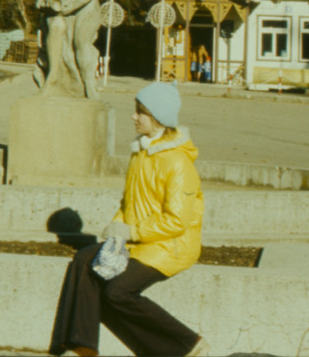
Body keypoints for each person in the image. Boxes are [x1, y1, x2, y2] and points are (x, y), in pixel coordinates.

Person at [50, 82, 207, 357]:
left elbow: (177, 222)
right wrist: (116, 228)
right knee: (83, 259)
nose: (134, 117)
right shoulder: (141, 154)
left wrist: (130, 231)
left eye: (140, 112)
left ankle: (188, 345)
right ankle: (79, 344)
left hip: (171, 246)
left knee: (117, 293)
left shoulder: (178, 163)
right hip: (139, 240)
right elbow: (128, 202)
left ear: (157, 119)